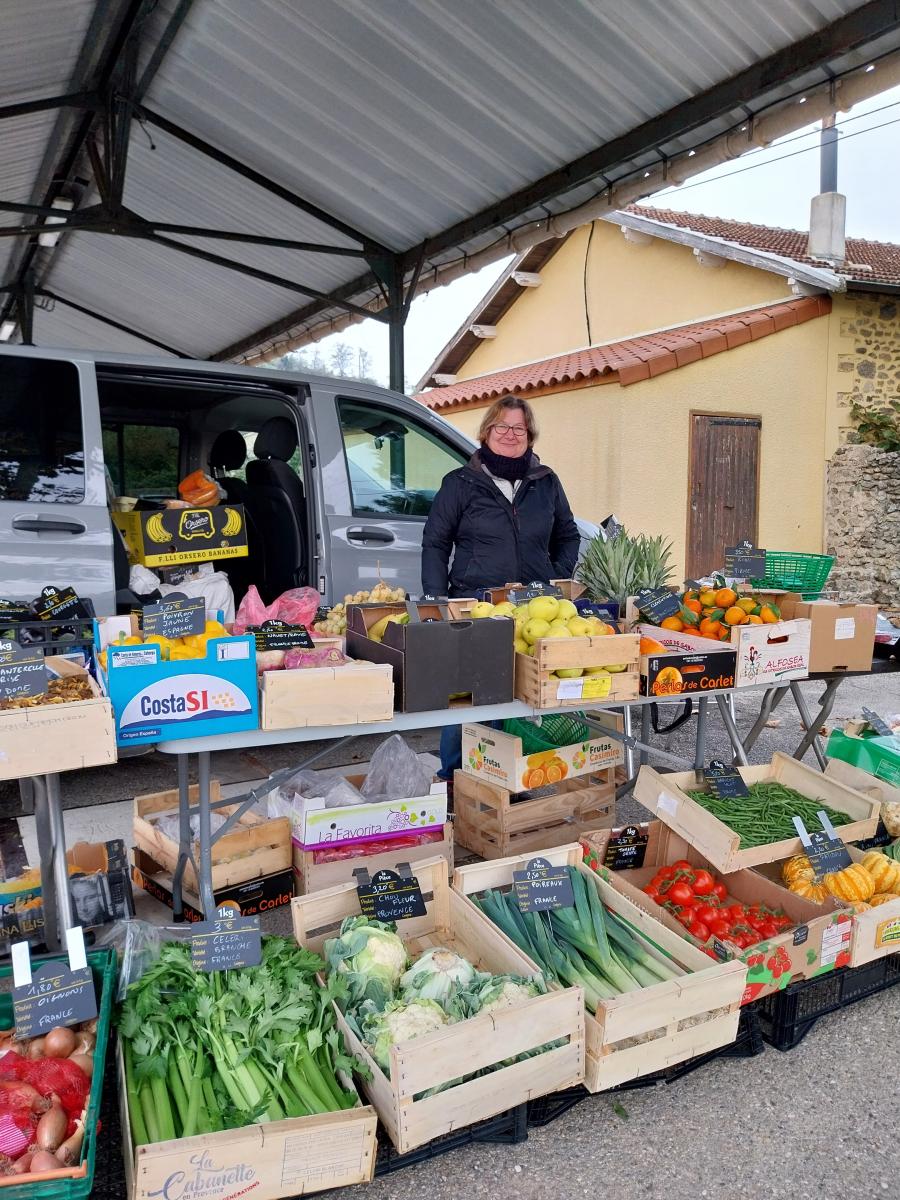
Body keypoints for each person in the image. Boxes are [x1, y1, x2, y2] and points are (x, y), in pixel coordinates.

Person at [421, 395, 580, 783]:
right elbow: (436, 544)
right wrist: (437, 600)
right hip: (476, 603)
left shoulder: (546, 482)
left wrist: (551, 581)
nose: (510, 435)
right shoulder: (460, 483)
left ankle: (507, 777)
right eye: (502, 427)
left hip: (533, 609)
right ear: (486, 432)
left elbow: (568, 536)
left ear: (530, 435)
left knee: (521, 696)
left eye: (519, 429)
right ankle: (455, 778)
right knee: (468, 697)